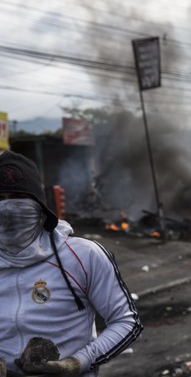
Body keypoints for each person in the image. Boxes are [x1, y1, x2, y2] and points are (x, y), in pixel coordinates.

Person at [0, 151, 143, 377]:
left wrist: (78, 362)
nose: (8, 208)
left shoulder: (83, 255)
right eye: (0, 198)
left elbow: (127, 322)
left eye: (18, 196)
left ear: (39, 206)